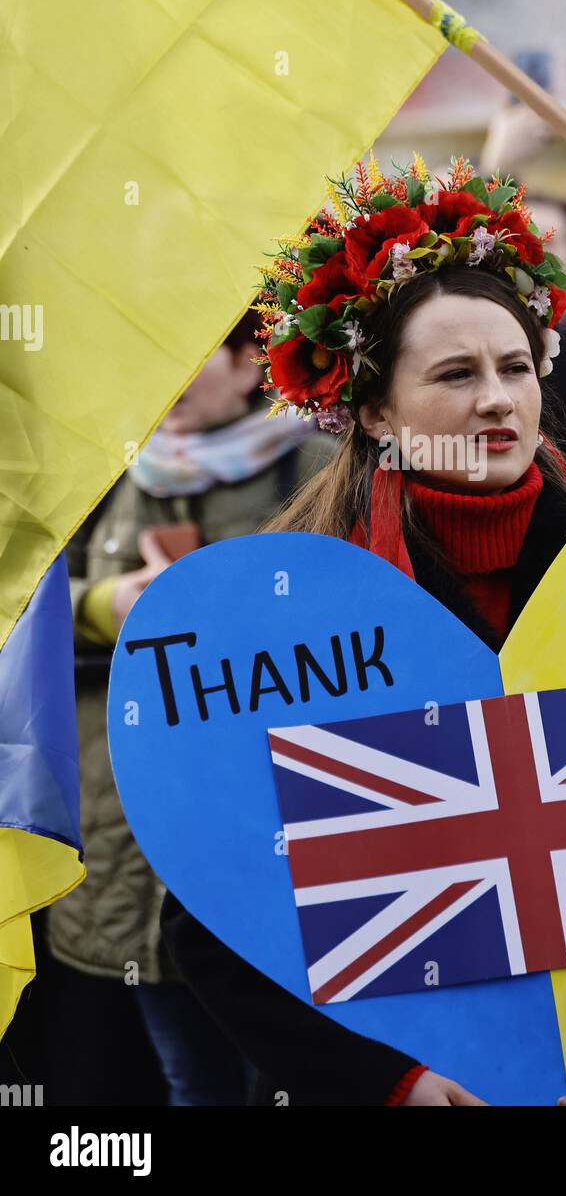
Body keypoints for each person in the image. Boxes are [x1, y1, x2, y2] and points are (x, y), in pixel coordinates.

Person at [159, 154, 566, 1107]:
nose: (497, 399)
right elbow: (212, 911)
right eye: (457, 374)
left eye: (515, 367)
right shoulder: (287, 603)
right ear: (376, 410)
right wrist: (394, 1084)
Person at [47, 311, 334, 1105]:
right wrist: (107, 603)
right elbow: (21, 602)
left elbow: (358, 617)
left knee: (288, 1074)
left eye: (190, 352)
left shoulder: (314, 464)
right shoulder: (109, 470)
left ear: (251, 364)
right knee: (189, 1081)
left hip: (276, 815)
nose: (165, 374)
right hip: (130, 823)